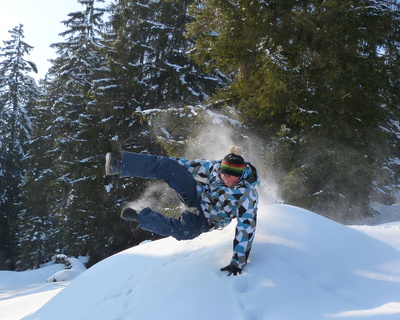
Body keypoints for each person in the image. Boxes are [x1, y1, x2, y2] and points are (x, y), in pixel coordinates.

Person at [105, 146, 260, 276]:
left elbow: (246, 228)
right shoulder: (216, 168)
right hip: (197, 195)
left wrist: (237, 263)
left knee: (186, 231)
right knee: (173, 168)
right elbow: (188, 166)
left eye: (229, 176)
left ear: (239, 175)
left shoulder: (247, 196)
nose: (224, 177)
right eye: (222, 173)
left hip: (205, 219)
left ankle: (141, 216)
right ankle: (120, 165)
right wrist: (171, 166)